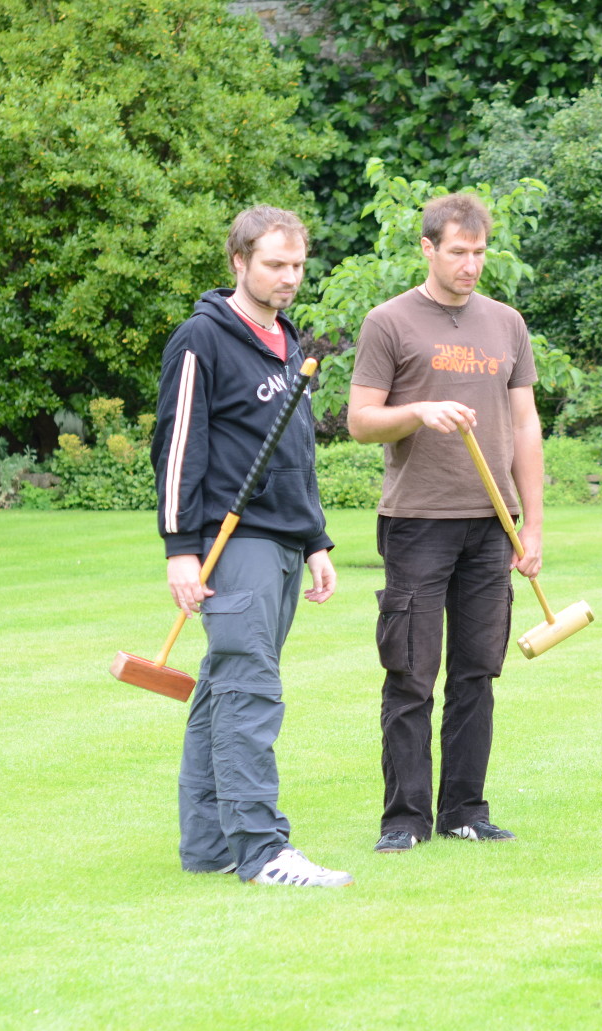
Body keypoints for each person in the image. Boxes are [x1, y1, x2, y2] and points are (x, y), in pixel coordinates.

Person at [149, 204, 351, 888]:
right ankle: (263, 852)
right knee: (249, 686)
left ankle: (208, 843)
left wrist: (316, 537)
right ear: (238, 262)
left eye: (296, 265)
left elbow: (293, 448)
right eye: (274, 265)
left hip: (283, 539)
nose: (288, 277)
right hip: (232, 541)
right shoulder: (201, 338)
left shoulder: (289, 339)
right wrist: (180, 547)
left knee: (221, 686)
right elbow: (178, 446)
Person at [347, 192, 545, 854]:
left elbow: (524, 424)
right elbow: (359, 420)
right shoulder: (389, 322)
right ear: (428, 249)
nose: (470, 265)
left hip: (491, 526)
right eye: (458, 252)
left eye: (480, 253)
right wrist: (418, 411)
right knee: (409, 671)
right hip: (416, 521)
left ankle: (464, 808)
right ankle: (404, 818)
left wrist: (532, 525)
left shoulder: (506, 324)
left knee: (475, 671)